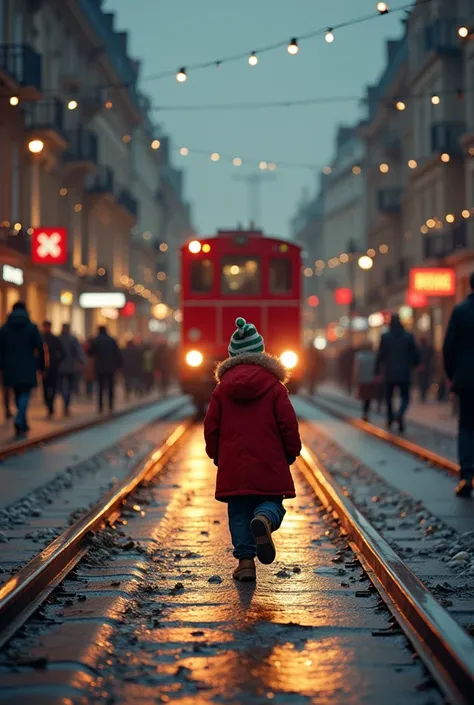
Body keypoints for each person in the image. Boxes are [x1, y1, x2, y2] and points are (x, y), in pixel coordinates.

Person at [204, 317, 301, 583]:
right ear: (261, 353)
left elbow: (210, 427)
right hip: (270, 463)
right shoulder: (275, 388)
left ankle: (245, 564)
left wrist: (216, 454)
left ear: (232, 356)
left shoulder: (221, 390)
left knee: (238, 512)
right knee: (272, 503)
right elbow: (288, 423)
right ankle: (265, 519)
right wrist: (292, 451)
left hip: (234, 466)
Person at [443, 272, 474, 497]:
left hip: (466, 379)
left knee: (466, 426)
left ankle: (466, 475)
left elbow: (448, 347)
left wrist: (451, 374)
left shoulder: (461, 311)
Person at [0, 302, 44, 436]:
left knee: (17, 393)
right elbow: (40, 348)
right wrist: (41, 367)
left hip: (10, 366)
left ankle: (22, 424)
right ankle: (20, 419)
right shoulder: (32, 327)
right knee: (25, 393)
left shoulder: (4, 329)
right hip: (27, 366)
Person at [375, 313, 420, 433]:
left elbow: (380, 355)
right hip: (405, 372)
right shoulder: (408, 337)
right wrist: (417, 364)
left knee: (389, 397)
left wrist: (377, 371)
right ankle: (400, 414)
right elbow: (415, 354)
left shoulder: (385, 337)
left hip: (389, 373)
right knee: (405, 397)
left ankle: (391, 418)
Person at [88, 325, 122, 413]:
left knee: (99, 387)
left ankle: (100, 406)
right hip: (110, 367)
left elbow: (90, 352)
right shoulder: (112, 340)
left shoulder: (95, 340)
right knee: (110, 386)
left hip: (99, 367)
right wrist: (119, 365)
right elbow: (117, 353)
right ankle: (110, 405)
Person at [59, 324, 85, 416]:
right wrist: (83, 361)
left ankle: (65, 402)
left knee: (63, 387)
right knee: (69, 387)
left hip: (61, 367)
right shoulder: (72, 339)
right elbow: (79, 352)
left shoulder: (59, 338)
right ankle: (66, 403)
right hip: (69, 367)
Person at [42, 320, 65, 418]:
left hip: (53, 368)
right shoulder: (40, 338)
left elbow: (63, 353)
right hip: (44, 368)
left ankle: (51, 405)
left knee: (53, 387)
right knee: (45, 388)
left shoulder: (54, 339)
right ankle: (48, 405)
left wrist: (56, 361)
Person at [354, 342, 379, 422]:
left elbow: (357, 369)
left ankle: (365, 413)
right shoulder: (374, 356)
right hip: (372, 379)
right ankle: (367, 412)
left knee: (364, 397)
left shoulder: (359, 356)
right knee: (369, 398)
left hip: (362, 379)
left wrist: (355, 378)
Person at [418, 336, 435, 403]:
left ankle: (423, 395)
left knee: (422, 382)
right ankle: (423, 395)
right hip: (427, 368)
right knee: (425, 381)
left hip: (422, 368)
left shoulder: (419, 349)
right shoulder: (428, 349)